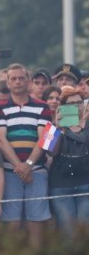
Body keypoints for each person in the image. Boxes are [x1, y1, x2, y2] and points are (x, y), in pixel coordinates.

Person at [0, 63, 52, 247]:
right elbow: (1, 140)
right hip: (10, 173)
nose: (17, 82)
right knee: (12, 224)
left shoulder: (43, 107)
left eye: (21, 78)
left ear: (29, 81)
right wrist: (20, 167)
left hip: (37, 172)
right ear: (7, 83)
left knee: (36, 223)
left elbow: (45, 138)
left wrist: (29, 164)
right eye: (13, 79)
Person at [47, 86, 89, 233]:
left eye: (79, 102)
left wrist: (83, 124)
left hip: (86, 184)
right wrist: (57, 128)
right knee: (67, 233)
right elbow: (51, 152)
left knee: (84, 232)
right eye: (70, 104)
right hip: (61, 185)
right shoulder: (52, 125)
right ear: (63, 107)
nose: (75, 106)